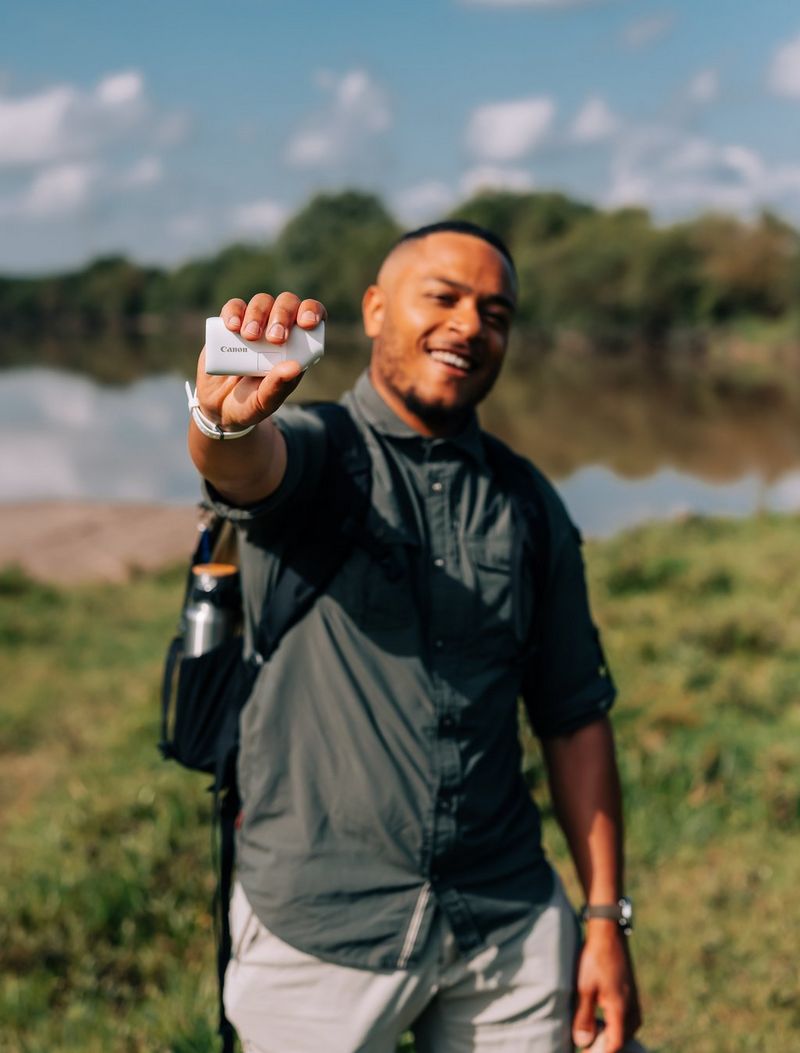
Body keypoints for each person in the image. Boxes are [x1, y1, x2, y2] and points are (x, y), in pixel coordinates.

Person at [187, 220, 642, 1053]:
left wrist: (606, 918)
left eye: (496, 312)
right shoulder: (321, 452)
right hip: (320, 921)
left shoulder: (530, 502)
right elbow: (245, 468)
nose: (470, 325)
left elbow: (574, 715)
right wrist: (221, 424)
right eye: (443, 297)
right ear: (373, 309)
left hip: (505, 921)